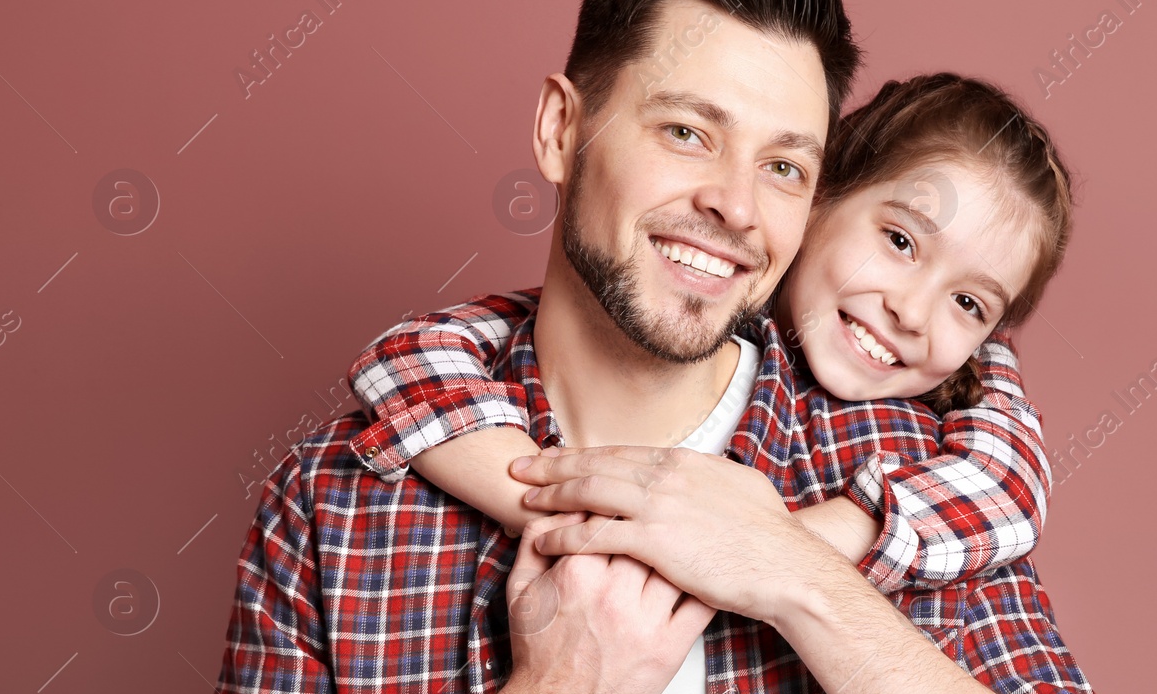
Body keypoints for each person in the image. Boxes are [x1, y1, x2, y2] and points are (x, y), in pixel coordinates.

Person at [177, 0, 1157, 694]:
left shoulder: (904, 480)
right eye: (688, 132)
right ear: (563, 130)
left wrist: (796, 575)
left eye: (783, 166)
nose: (735, 205)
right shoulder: (346, 504)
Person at [347, 73, 1062, 599]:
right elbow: (404, 359)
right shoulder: (697, 297)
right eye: (900, 241)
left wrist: (781, 546)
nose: (911, 311)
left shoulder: (939, 426)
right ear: (817, 196)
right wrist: (585, 521)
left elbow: (1011, 484)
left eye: (968, 302)